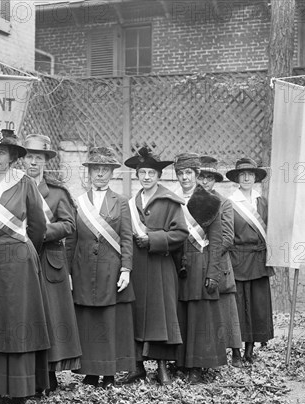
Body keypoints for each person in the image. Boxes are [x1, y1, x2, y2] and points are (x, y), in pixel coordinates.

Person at [0, 129, 49, 404]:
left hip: (16, 257)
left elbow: (38, 226)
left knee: (17, 320)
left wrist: (26, 252)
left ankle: (19, 386)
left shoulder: (25, 183)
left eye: (2, 152)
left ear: (14, 156)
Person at [66, 146, 136, 388]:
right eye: (96, 169)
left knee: (109, 320)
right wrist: (68, 272)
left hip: (110, 268)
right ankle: (90, 371)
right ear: (89, 172)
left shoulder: (122, 202)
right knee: (88, 319)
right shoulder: (79, 202)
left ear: (112, 173)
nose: (100, 174)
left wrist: (126, 268)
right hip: (83, 267)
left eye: (105, 170)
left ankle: (109, 372)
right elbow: (71, 239)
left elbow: (126, 238)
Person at [121, 146, 188, 385]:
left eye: (151, 173)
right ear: (137, 176)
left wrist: (154, 239)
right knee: (136, 313)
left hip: (161, 266)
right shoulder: (130, 203)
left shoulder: (170, 202)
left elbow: (181, 233)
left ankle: (161, 367)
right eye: (142, 173)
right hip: (137, 267)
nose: (147, 177)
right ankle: (137, 366)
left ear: (159, 176)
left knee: (161, 316)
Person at [23, 134, 81, 393]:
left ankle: (49, 374)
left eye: (38, 157)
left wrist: (42, 231)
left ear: (45, 161)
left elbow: (69, 225)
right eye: (29, 156)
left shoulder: (57, 192)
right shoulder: (15, 187)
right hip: (22, 260)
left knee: (50, 315)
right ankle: (30, 373)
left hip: (49, 260)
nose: (33, 162)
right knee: (28, 314)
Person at [173, 153, 227, 384]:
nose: (185, 177)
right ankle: (182, 363)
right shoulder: (173, 200)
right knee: (182, 314)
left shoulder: (210, 201)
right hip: (179, 264)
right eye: (181, 174)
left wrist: (213, 272)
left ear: (196, 175)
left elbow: (216, 240)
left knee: (201, 317)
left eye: (189, 173)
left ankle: (198, 365)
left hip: (202, 261)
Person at [226, 158, 275, 363]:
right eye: (242, 174)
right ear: (237, 178)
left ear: (255, 178)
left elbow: (271, 229)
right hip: (237, 259)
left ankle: (250, 350)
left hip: (258, 259)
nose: (246, 177)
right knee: (237, 306)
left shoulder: (262, 202)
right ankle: (236, 352)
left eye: (250, 174)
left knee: (257, 305)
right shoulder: (229, 202)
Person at [197, 156, 243, 367]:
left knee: (226, 307)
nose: (205, 182)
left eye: (209, 178)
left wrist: (209, 255)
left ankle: (235, 352)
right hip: (196, 261)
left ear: (215, 180)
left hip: (218, 261)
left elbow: (227, 237)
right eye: (201, 177)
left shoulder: (224, 203)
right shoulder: (190, 200)